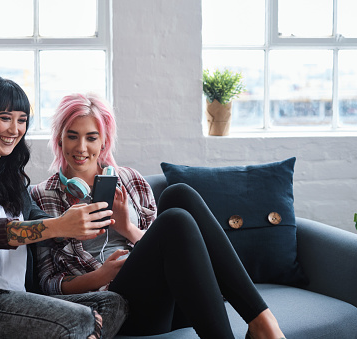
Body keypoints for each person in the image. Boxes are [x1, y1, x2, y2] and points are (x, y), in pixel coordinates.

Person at [30, 92, 287, 339]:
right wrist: (100, 276)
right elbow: (46, 283)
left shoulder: (132, 181)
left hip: (171, 297)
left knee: (179, 194)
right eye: (72, 136)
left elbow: (169, 246)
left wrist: (127, 227)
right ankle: (261, 327)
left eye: (91, 138)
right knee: (175, 219)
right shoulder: (42, 196)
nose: (81, 147)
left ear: (104, 141)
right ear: (60, 139)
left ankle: (262, 321)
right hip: (119, 306)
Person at [0, 76, 128, 339]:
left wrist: (73, 226)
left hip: (19, 298)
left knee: (112, 303)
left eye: (22, 120)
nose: (15, 129)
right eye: (5, 118)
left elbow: (37, 218)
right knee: (80, 318)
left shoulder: (10, 178)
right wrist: (58, 225)